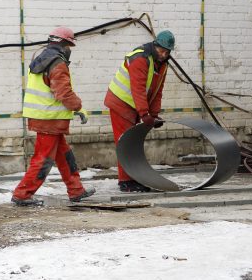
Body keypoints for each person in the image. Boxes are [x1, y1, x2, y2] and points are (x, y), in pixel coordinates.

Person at [12, 26, 96, 206]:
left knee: (65, 156)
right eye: (69, 46)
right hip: (49, 120)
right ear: (64, 44)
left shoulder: (40, 58)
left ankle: (76, 190)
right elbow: (63, 92)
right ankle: (22, 194)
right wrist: (78, 107)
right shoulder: (57, 63)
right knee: (42, 159)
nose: (69, 50)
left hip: (45, 117)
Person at [104, 30, 175, 192]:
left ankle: (133, 177)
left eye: (166, 52)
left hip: (134, 105)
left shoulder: (162, 63)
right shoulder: (140, 58)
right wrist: (145, 114)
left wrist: (154, 114)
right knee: (125, 143)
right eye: (161, 50)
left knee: (133, 143)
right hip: (121, 103)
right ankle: (125, 181)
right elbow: (138, 89)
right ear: (155, 45)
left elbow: (157, 90)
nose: (163, 54)